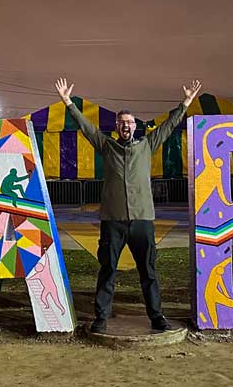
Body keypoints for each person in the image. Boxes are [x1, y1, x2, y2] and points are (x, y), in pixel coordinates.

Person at [55, 77, 201, 334]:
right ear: (117, 127)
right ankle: (101, 318)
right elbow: (87, 128)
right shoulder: (107, 146)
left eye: (130, 122)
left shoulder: (147, 145)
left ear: (136, 126)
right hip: (112, 219)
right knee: (108, 269)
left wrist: (186, 103)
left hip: (143, 219)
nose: (126, 126)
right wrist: (68, 102)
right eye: (122, 123)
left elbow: (168, 127)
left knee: (149, 272)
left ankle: (157, 317)